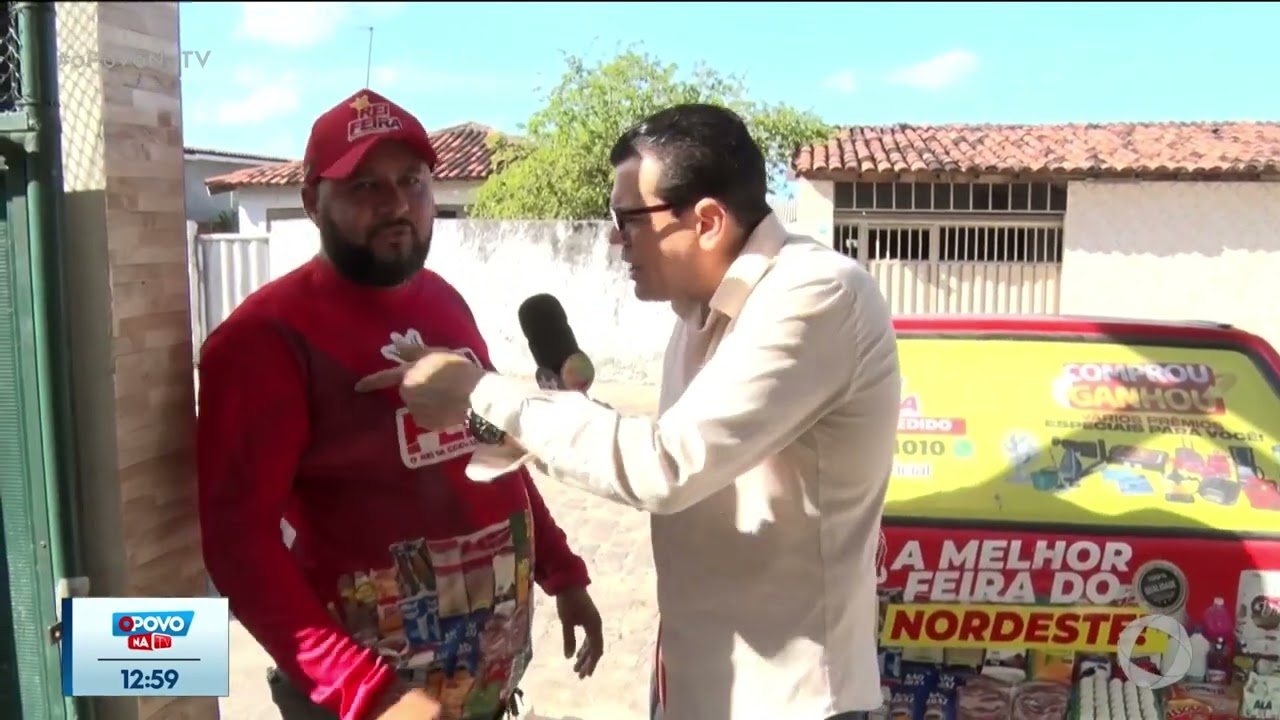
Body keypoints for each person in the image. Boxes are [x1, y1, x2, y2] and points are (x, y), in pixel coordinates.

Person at [356, 103, 902, 720]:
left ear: (706, 221)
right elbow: (677, 448)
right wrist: (543, 415)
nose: (614, 239)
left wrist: (481, 393)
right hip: (699, 680)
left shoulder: (816, 293)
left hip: (793, 699)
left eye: (626, 219)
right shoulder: (701, 310)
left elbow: (666, 466)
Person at [197, 88, 603, 720]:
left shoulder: (442, 299)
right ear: (312, 202)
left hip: (484, 684)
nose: (396, 205)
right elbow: (237, 544)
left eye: (411, 181)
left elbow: (494, 449)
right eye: (364, 187)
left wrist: (562, 572)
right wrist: (369, 692)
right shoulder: (263, 341)